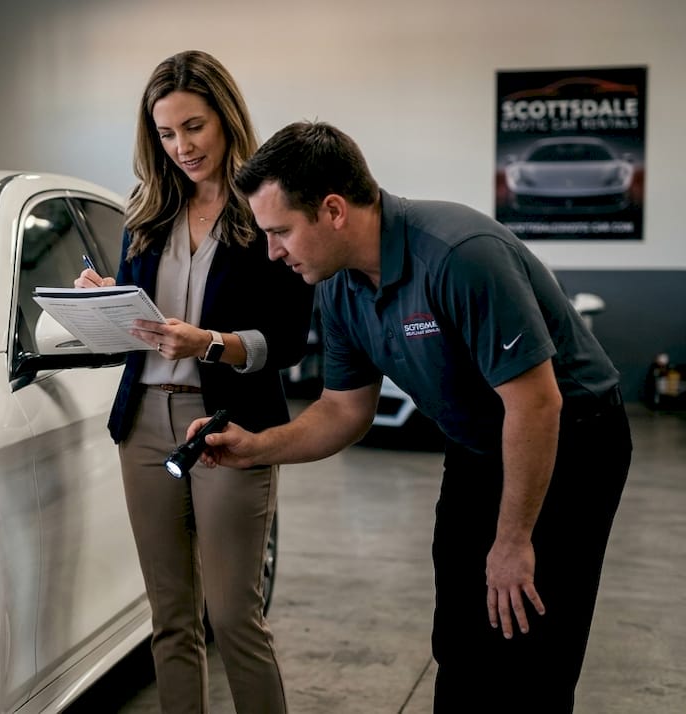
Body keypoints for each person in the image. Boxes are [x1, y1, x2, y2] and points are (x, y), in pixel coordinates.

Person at [194, 120, 631, 712]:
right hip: (479, 442)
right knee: (459, 631)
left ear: (333, 210)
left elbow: (537, 403)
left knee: (530, 640)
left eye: (281, 232)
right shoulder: (338, 286)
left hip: (570, 439)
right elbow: (344, 410)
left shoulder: (459, 256)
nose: (274, 252)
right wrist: (255, 446)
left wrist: (513, 540)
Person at [74, 51, 313, 714]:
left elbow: (288, 342)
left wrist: (209, 343)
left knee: (234, 617)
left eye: (195, 127)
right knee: (170, 618)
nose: (182, 146)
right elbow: (140, 331)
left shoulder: (266, 207)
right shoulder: (147, 210)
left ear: (226, 119)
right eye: (167, 133)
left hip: (228, 426)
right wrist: (106, 303)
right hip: (143, 423)